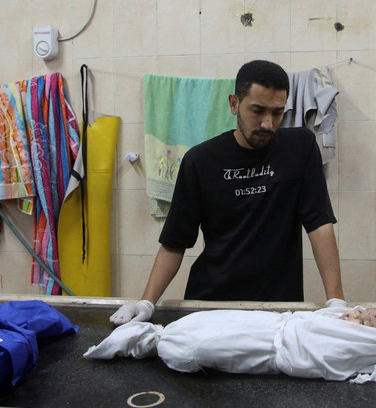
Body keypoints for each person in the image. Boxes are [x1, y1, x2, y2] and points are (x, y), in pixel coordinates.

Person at [111, 60, 345, 325]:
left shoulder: (300, 148)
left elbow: (319, 223)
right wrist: (147, 302)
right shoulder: (200, 161)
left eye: (277, 113)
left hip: (277, 308)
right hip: (210, 305)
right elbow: (174, 243)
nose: (268, 124)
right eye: (257, 111)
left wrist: (335, 301)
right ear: (234, 103)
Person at [87, 305, 376, 399]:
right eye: (361, 311)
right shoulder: (204, 160)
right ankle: (152, 335)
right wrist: (148, 301)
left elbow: (325, 351)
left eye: (365, 321)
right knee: (201, 325)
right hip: (268, 321)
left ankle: (157, 342)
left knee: (202, 346)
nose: (354, 315)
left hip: (275, 344)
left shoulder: (365, 341)